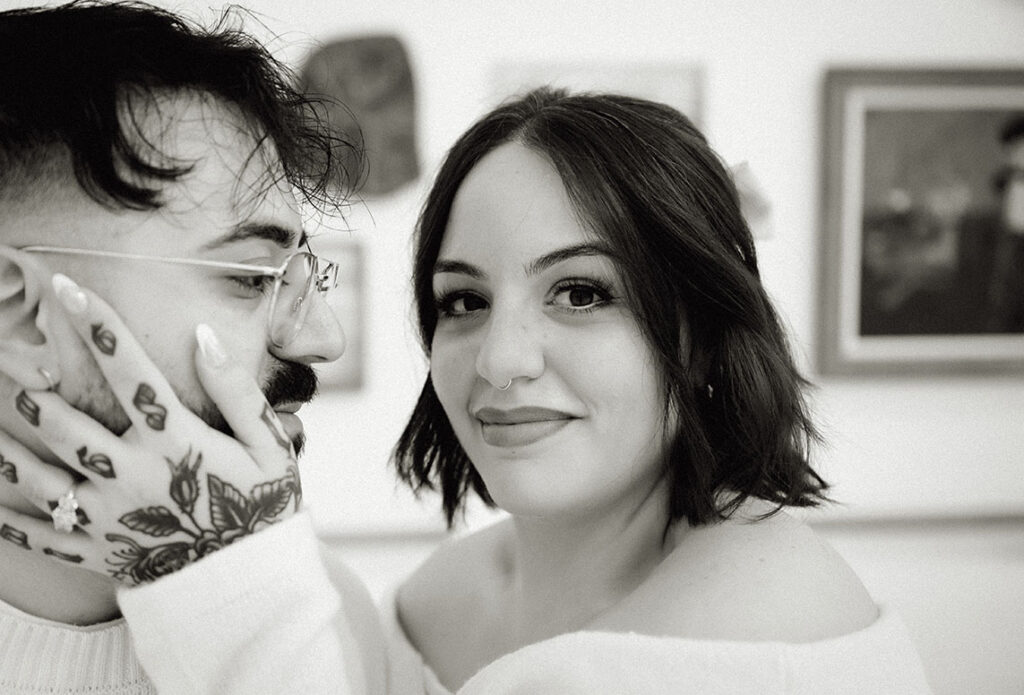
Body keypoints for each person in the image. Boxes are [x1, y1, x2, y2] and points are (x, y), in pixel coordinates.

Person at [3, 88, 934, 693]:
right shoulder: (438, 594)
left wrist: (215, 560)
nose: (499, 361)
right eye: (463, 300)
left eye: (581, 293)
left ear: (700, 325)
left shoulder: (760, 623)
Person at [0, 2, 384, 693]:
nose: (323, 338)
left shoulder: (317, 615)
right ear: (21, 311)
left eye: (305, 276)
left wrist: (249, 616)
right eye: (249, 276)